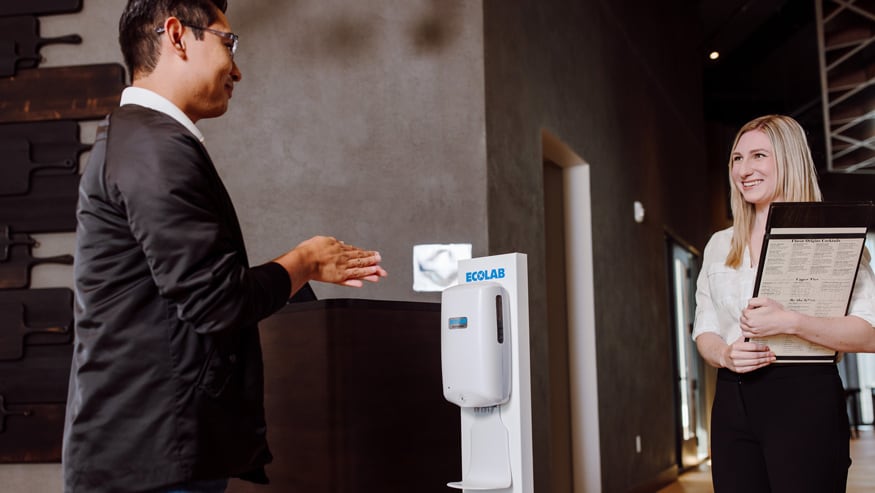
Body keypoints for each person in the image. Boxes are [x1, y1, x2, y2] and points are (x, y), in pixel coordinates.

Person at [61, 1, 387, 492]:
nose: (237, 68)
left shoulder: (143, 140)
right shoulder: (153, 146)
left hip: (152, 455)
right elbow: (217, 302)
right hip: (152, 462)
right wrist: (305, 262)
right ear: (176, 35)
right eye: (227, 43)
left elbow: (193, 292)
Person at [693, 114, 875, 492]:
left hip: (805, 396)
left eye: (758, 155)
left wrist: (791, 322)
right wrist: (725, 355)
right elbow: (705, 331)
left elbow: (869, 334)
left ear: (788, 160)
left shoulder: (834, 239)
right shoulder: (719, 245)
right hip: (732, 400)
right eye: (736, 159)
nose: (744, 169)